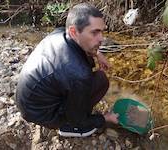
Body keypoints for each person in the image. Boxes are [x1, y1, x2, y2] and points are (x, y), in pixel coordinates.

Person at [16, 3, 118, 137]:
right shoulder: (78, 73)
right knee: (101, 80)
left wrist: (97, 53)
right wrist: (105, 119)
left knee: (88, 75)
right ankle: (70, 128)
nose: (101, 38)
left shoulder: (60, 33)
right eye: (94, 32)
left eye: (102, 31)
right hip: (40, 114)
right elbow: (79, 119)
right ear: (74, 32)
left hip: (27, 101)